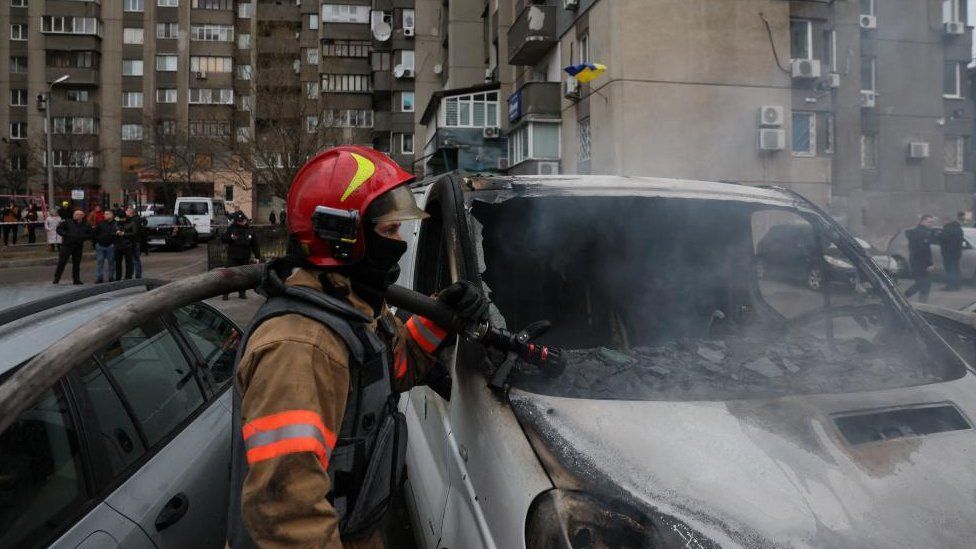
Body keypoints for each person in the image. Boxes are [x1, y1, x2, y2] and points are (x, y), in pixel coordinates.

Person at [226, 146, 489, 549]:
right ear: (343, 239)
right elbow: (287, 516)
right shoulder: (300, 348)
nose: (400, 241)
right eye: (389, 231)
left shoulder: (351, 306)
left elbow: (392, 369)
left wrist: (440, 316)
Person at [221, 212, 262, 300]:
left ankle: (242, 293)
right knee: (229, 276)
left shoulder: (250, 230)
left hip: (244, 256)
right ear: (236, 221)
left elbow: (255, 244)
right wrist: (230, 238)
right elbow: (223, 239)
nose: (242, 222)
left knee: (243, 276)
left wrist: (257, 257)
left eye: (243, 220)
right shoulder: (231, 228)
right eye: (239, 221)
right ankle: (225, 293)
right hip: (233, 256)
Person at [53, 210, 93, 285]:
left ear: (83, 216)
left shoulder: (86, 224)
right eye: (76, 214)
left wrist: (83, 237)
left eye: (79, 214)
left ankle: (76, 279)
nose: (77, 216)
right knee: (62, 262)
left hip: (78, 246)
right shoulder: (67, 222)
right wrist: (66, 234)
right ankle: (57, 278)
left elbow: (91, 234)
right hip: (67, 245)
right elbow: (59, 229)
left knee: (76, 263)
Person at [905, 214, 937, 302]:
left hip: (916, 261)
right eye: (929, 222)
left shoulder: (918, 231)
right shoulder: (922, 233)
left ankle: (923, 304)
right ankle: (903, 297)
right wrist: (929, 264)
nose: (931, 224)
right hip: (921, 263)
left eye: (932, 222)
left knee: (924, 284)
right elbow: (923, 250)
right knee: (923, 283)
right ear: (922, 221)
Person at [940, 211, 965, 291]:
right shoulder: (959, 229)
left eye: (944, 220)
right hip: (957, 252)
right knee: (956, 269)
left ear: (947, 221)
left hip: (948, 252)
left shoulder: (947, 229)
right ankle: (957, 285)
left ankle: (950, 286)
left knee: (949, 270)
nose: (943, 222)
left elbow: (943, 239)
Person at [93, 211, 118, 283]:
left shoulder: (116, 223)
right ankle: (99, 277)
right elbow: (95, 233)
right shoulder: (101, 223)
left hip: (111, 245)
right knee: (100, 262)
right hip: (100, 245)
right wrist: (96, 242)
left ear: (112, 215)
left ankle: (111, 277)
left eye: (108, 214)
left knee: (111, 262)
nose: (106, 215)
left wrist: (114, 243)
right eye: (105, 214)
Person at [114, 209, 137, 280]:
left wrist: (124, 234)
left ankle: (128, 277)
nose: (121, 220)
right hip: (118, 245)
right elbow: (112, 231)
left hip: (127, 245)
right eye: (120, 218)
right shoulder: (117, 222)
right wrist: (116, 232)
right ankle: (118, 277)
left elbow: (134, 234)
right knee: (118, 263)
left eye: (122, 218)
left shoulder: (131, 223)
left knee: (128, 262)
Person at [128, 207, 145, 278]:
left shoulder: (133, 220)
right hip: (137, 241)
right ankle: (138, 273)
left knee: (134, 258)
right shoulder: (138, 219)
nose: (127, 212)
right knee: (136, 258)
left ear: (132, 213)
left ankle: (134, 274)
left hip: (133, 241)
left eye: (128, 211)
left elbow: (133, 232)